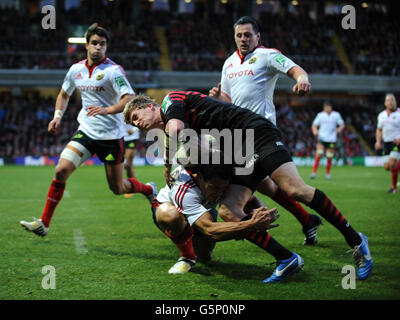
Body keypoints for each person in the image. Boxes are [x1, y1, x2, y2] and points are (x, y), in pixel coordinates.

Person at [123, 91, 373, 281]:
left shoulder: (169, 102)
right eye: (133, 125)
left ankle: (355, 240)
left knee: (295, 189)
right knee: (229, 211)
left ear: (148, 106)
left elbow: (176, 129)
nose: (138, 124)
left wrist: (172, 163)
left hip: (256, 133)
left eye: (136, 117)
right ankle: (286, 258)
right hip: (238, 149)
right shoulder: (177, 122)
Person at [20, 23, 157, 237]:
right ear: (87, 45)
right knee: (60, 170)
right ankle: (43, 223)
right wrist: (57, 117)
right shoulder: (76, 70)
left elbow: (129, 98)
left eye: (102, 44)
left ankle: (148, 189)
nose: (98, 47)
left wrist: (106, 110)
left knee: (118, 188)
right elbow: (64, 94)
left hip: (111, 136)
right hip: (86, 132)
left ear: (106, 47)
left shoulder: (113, 71)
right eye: (94, 43)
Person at [209, 16, 322, 245]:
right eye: (239, 35)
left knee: (264, 187)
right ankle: (305, 219)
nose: (243, 39)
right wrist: (216, 98)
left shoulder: (267, 55)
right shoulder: (229, 63)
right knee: (267, 186)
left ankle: (259, 228)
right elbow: (228, 99)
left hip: (260, 133)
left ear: (257, 36)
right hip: (237, 134)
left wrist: (302, 79)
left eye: (248, 35)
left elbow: (295, 69)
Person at [150, 162, 301, 280]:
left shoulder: (221, 179)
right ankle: (187, 256)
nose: (219, 194)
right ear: (200, 178)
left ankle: (193, 247)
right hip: (169, 208)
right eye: (214, 188)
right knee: (171, 216)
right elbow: (210, 229)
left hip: (202, 213)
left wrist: (262, 216)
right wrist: (250, 224)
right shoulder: (185, 189)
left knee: (205, 257)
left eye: (223, 189)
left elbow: (253, 200)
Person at [310, 101, 345, 180]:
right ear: (324, 108)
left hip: (331, 139)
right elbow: (314, 125)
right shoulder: (320, 115)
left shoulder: (336, 115)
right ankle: (314, 173)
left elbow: (342, 124)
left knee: (329, 156)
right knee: (319, 154)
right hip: (322, 138)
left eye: (329, 107)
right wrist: (315, 131)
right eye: (326, 107)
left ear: (331, 108)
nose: (328, 109)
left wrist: (339, 129)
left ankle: (327, 173)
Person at [375, 93, 400, 193]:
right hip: (386, 143)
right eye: (389, 100)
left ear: (395, 102)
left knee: (393, 163)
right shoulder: (381, 115)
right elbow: (379, 129)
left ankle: (393, 187)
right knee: (387, 167)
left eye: (393, 100)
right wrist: (378, 141)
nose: (391, 102)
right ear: (385, 103)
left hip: (396, 142)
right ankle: (394, 186)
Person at [123, 123, 140, 198]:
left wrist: (133, 130)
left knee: (127, 164)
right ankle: (135, 184)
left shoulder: (133, 110)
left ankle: (131, 187)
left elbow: (140, 121)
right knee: (128, 165)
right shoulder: (115, 111)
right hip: (120, 137)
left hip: (132, 138)